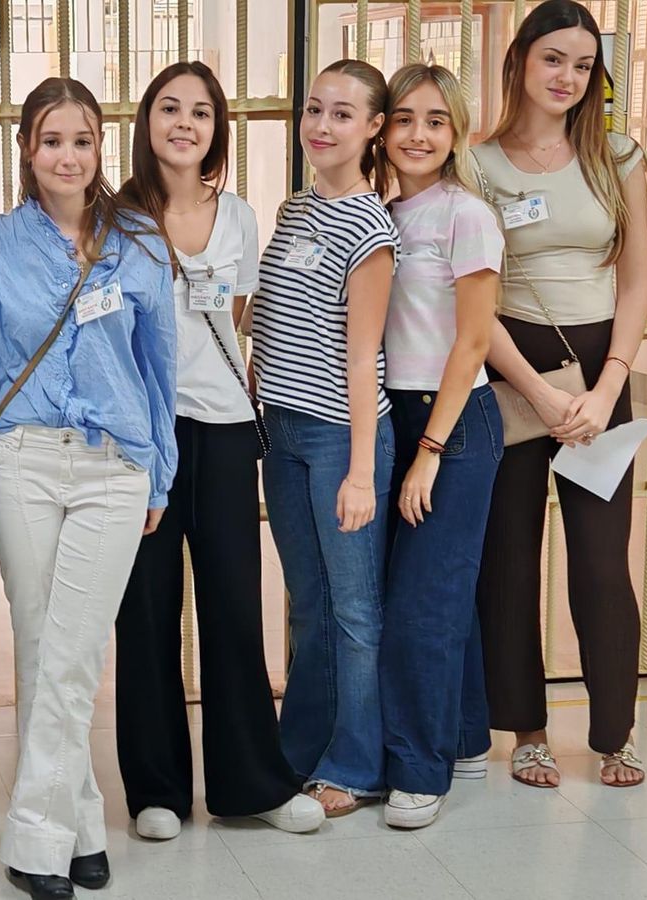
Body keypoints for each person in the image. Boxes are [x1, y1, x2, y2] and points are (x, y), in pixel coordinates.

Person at [0, 77, 177, 899]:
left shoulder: (142, 242)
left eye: (81, 140)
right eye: (50, 140)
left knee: (74, 651)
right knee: (47, 647)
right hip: (22, 460)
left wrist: (163, 470)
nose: (67, 156)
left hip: (117, 465)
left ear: (99, 148)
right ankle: (78, 817)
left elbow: (160, 369)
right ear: (25, 151)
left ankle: (35, 837)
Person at [113, 60, 300, 841]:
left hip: (224, 431)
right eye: (168, 108)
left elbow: (242, 320)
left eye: (199, 111)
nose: (183, 123)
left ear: (216, 128)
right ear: (147, 123)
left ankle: (250, 782)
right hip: (144, 437)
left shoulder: (241, 219)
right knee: (146, 611)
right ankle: (155, 792)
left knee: (231, 606)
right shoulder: (114, 218)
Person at [474, 0, 647, 790]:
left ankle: (616, 733)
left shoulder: (618, 156)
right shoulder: (478, 164)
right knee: (509, 563)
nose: (568, 78)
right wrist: (539, 396)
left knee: (601, 567)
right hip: (511, 372)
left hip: (598, 378)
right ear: (519, 62)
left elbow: (640, 277)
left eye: (582, 65)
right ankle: (530, 731)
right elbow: (473, 300)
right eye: (554, 60)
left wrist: (609, 382)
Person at [251, 59, 399, 827]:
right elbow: (270, 319)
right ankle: (301, 746)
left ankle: (356, 763)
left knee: (353, 610)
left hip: (343, 435)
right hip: (283, 432)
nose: (322, 125)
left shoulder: (371, 227)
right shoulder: (292, 211)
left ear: (373, 129)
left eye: (343, 114)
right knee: (307, 604)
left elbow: (361, 351)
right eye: (315, 109)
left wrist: (362, 473)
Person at [374, 63, 505, 829]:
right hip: (398, 413)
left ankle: (420, 771)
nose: (418, 135)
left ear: (455, 133)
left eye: (435, 121)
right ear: (384, 131)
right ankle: (462, 736)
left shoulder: (467, 215)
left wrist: (428, 449)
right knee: (437, 591)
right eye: (403, 119)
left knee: (423, 603)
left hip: (452, 424)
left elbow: (473, 342)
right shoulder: (385, 214)